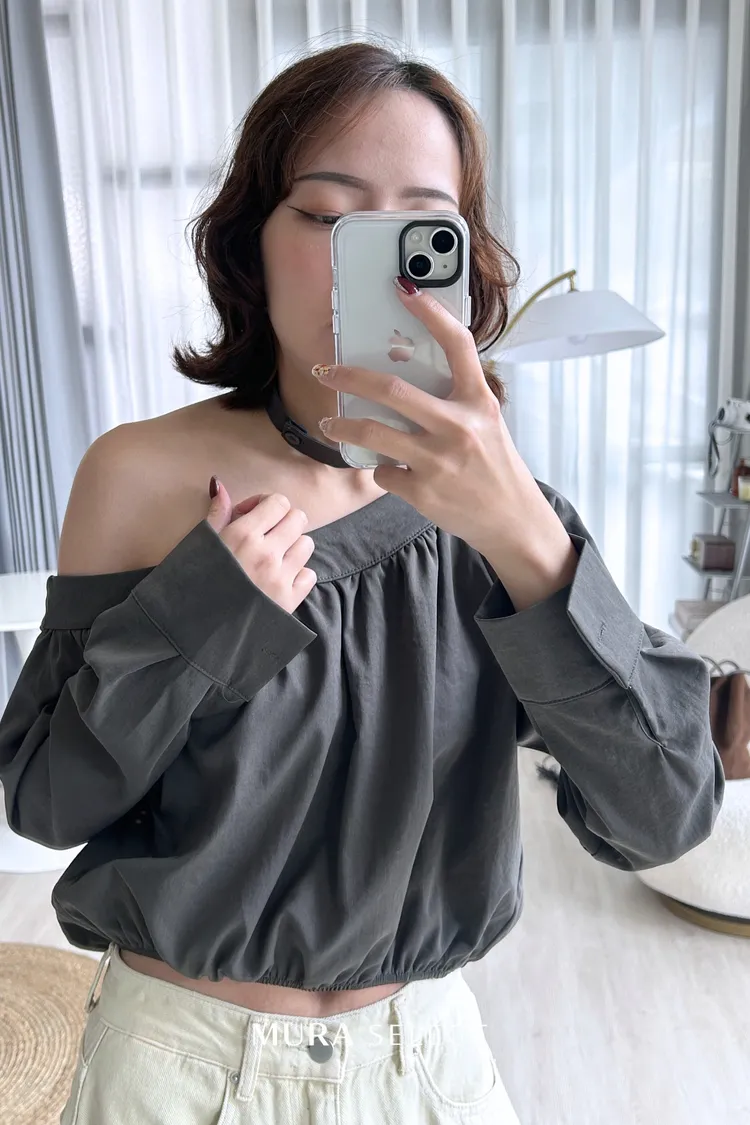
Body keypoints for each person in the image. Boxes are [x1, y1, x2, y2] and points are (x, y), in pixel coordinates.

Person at [0, 39, 723, 1125]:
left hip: (429, 1066)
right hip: (174, 1069)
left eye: (421, 229)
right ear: (250, 241)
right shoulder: (140, 475)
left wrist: (525, 535)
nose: (375, 271)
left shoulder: (504, 513)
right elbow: (49, 803)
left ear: (464, 259)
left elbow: (665, 814)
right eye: (330, 217)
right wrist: (199, 619)